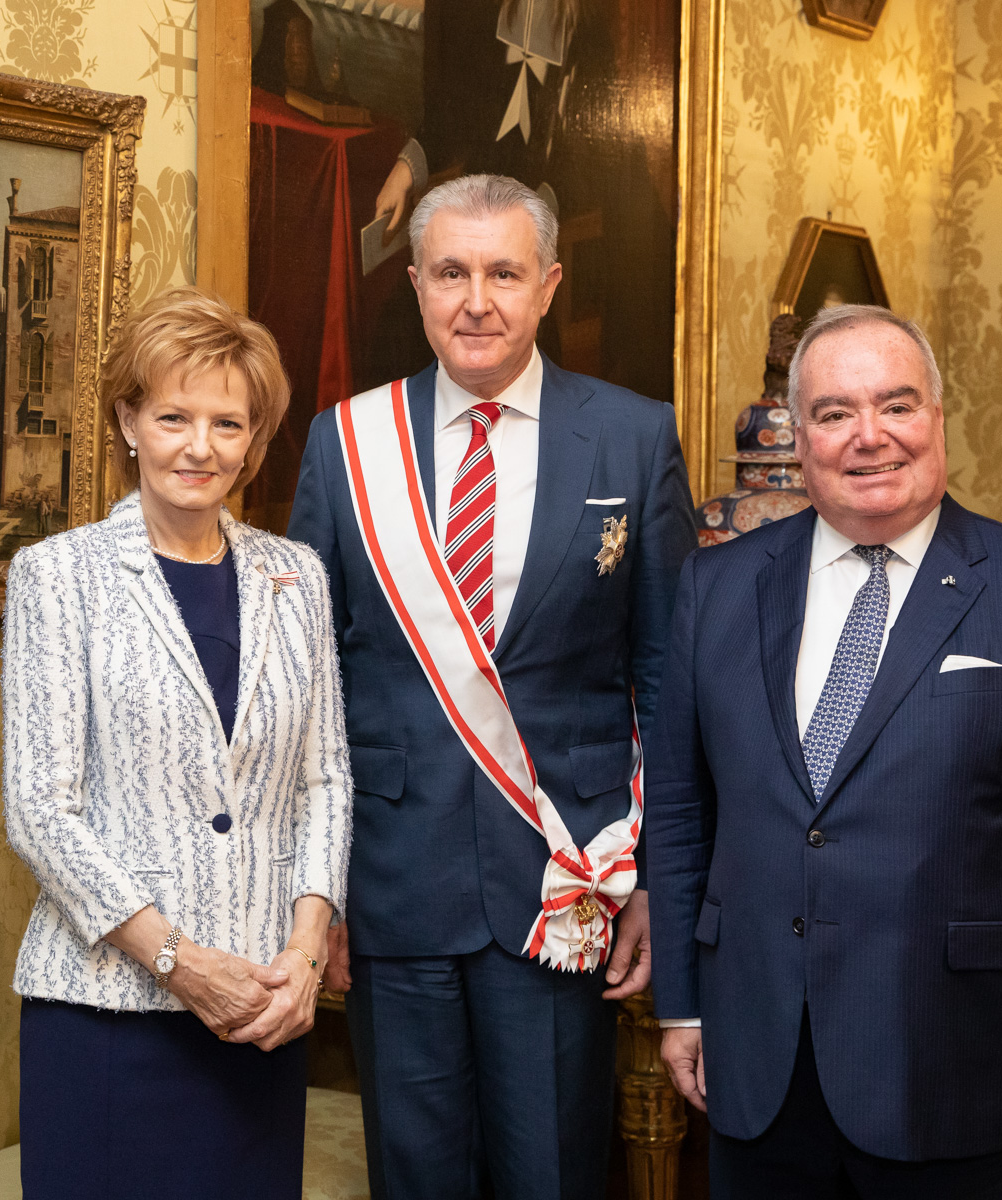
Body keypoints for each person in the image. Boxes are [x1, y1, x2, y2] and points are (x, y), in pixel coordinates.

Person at [647, 305, 1002, 1199]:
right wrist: (681, 1003)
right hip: (758, 1061)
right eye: (835, 413)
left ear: (938, 420)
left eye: (897, 406)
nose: (869, 437)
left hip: (958, 1066)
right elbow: (681, 815)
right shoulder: (714, 587)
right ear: (799, 438)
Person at [288, 173, 696, 1199]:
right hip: (393, 878)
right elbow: (309, 684)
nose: (478, 301)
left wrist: (657, 873)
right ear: (418, 287)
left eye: (504, 272)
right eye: (452, 273)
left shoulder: (634, 437)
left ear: (549, 285)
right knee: (414, 1175)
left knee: (551, 1172)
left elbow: (667, 673)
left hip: (564, 872)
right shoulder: (347, 444)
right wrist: (314, 891)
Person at [1, 287, 352, 1199]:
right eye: (173, 417)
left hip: (264, 1015)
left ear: (255, 438)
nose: (200, 447)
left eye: (227, 423)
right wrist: (180, 964)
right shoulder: (58, 576)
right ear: (128, 420)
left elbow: (326, 779)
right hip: (109, 1013)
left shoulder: (297, 576)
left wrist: (306, 956)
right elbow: (41, 811)